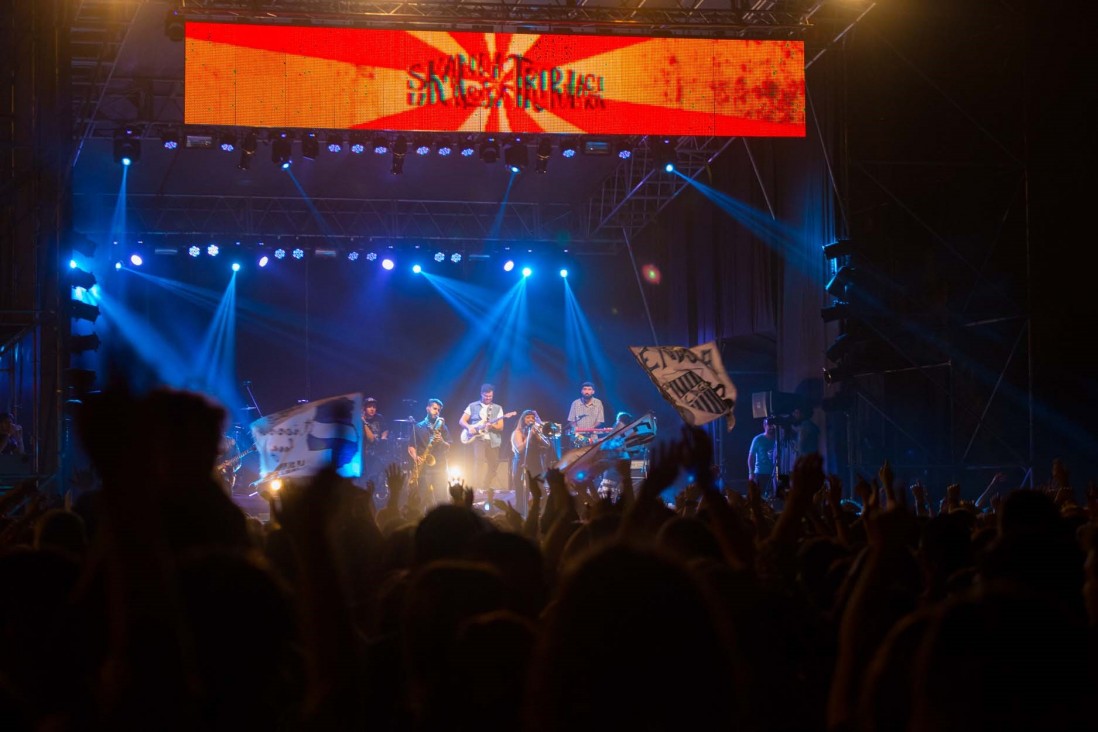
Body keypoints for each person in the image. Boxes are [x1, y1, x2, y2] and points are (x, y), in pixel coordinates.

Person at [459, 384, 508, 491]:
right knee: (479, 462)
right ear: (481, 394)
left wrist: (492, 426)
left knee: (494, 464)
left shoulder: (498, 408)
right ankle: (477, 488)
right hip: (478, 439)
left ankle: (486, 485)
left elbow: (501, 427)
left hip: (493, 440)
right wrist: (469, 427)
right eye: (486, 396)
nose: (488, 398)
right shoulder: (472, 406)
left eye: (490, 396)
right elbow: (462, 421)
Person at [408, 398, 451, 508]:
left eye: (439, 410)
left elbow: (449, 447)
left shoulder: (443, 427)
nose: (437, 412)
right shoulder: (418, 427)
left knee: (442, 499)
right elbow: (411, 446)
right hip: (424, 468)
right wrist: (416, 457)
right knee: (422, 499)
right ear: (427, 408)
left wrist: (441, 441)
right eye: (434, 408)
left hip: (440, 467)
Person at [510, 410, 551, 514]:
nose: (530, 420)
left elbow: (547, 444)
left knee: (541, 491)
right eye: (528, 417)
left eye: (532, 418)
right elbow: (519, 449)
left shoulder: (536, 432)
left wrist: (537, 435)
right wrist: (529, 436)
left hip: (536, 465)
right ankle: (521, 515)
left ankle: (540, 514)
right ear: (523, 419)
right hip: (522, 464)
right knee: (522, 493)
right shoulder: (517, 433)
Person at [566, 381, 605, 447]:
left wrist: (591, 428)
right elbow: (571, 420)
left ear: (593, 392)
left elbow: (600, 420)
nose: (587, 391)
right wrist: (577, 429)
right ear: (581, 391)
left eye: (589, 389)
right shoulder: (575, 403)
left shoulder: (598, 403)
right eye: (585, 389)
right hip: (578, 437)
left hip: (593, 437)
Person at [361, 397, 389, 486]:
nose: (372, 409)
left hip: (378, 453)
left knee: (379, 474)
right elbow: (371, 439)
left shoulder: (379, 417)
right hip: (366, 453)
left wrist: (384, 437)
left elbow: (385, 429)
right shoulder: (360, 421)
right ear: (364, 409)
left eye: (374, 407)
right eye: (370, 407)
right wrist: (363, 422)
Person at [747, 417, 778, 496]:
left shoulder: (779, 439)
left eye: (773, 425)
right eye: (769, 425)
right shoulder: (758, 439)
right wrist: (751, 473)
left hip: (775, 474)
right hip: (761, 474)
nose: (772, 427)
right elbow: (751, 457)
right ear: (764, 425)